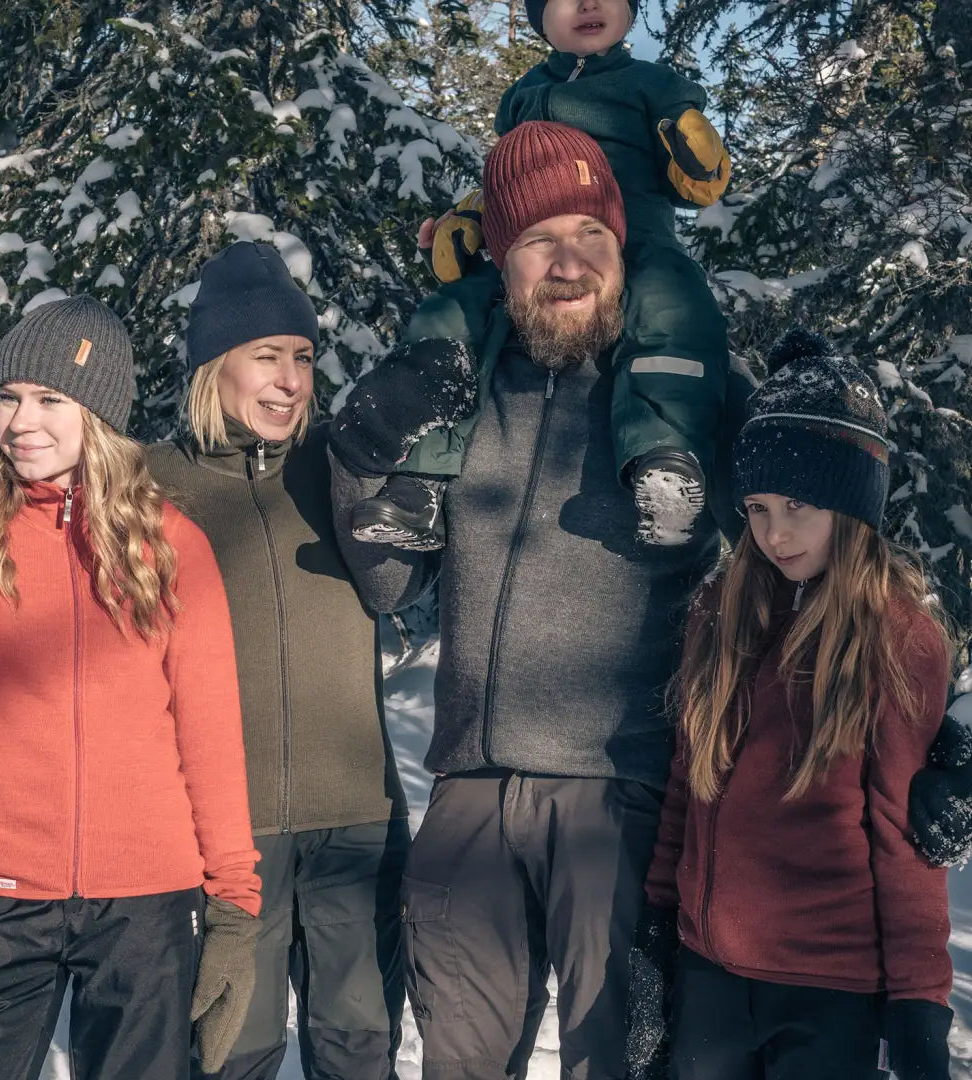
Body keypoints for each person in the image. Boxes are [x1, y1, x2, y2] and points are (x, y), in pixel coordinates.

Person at [328, 118, 723, 1080]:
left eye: (593, 235)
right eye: (540, 239)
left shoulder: (686, 395)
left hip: (619, 800)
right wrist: (361, 454)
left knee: (616, 1062)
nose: (570, 262)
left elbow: (815, 550)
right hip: (467, 794)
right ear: (499, 261)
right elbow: (386, 582)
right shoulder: (456, 399)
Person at [0, 296, 262, 1080]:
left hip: (149, 903)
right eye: (10, 397)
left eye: (51, 399)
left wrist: (233, 911)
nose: (22, 420)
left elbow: (211, 736)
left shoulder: (172, 547)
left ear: (97, 415)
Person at [643, 328, 954, 1080]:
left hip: (828, 994)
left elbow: (905, 835)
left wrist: (918, 1005)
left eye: (798, 505)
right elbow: (689, 783)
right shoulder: (722, 612)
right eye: (755, 506)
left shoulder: (895, 636)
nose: (774, 533)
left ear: (851, 507)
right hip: (709, 975)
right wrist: (655, 933)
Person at [147, 240, 410, 1080]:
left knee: (359, 1047)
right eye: (266, 357)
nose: (291, 380)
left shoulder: (342, 467)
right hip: (225, 832)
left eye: (302, 357)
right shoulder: (149, 485)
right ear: (213, 366)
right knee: (233, 1051)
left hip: (358, 818)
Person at [348, 0, 732, 550]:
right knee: (452, 311)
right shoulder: (523, 96)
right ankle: (420, 480)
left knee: (672, 306)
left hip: (636, 241)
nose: (589, 5)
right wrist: (472, 221)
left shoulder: (653, 85)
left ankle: (666, 457)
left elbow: (694, 182)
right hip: (529, 247)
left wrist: (697, 153)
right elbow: (510, 177)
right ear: (537, 17)